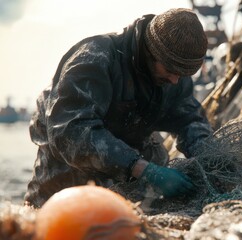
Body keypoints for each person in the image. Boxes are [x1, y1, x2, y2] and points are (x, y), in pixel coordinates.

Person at [25, 8, 213, 207]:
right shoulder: (96, 57)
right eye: (170, 70)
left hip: (128, 176)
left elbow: (190, 120)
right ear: (151, 51)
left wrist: (210, 161)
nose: (175, 80)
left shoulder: (175, 77)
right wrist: (144, 170)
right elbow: (71, 132)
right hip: (68, 174)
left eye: (182, 74)